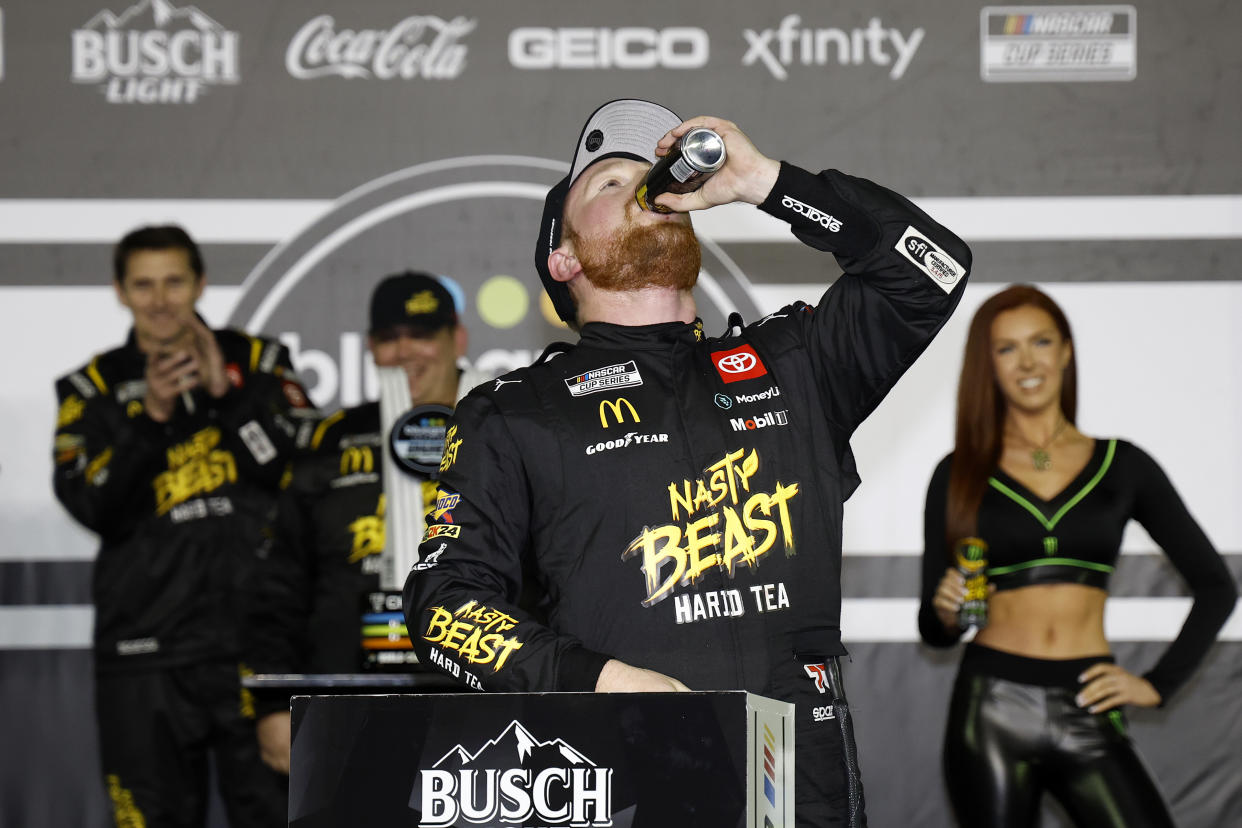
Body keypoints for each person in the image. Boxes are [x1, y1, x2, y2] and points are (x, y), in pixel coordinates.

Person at [403, 98, 972, 827]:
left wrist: (769, 182)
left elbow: (934, 269)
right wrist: (600, 682)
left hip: (802, 791)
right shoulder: (513, 410)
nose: (644, 187)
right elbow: (442, 602)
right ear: (563, 256)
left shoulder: (793, 363)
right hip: (621, 781)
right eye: (609, 183)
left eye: (651, 176)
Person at [918, 284, 1237, 827]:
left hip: (1090, 704)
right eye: (1006, 348)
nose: (1027, 362)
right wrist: (947, 610)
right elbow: (935, 627)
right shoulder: (960, 472)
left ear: (1066, 351)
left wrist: (1157, 684)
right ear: (986, 364)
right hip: (991, 708)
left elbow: (1216, 587)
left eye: (1041, 342)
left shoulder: (1124, 465)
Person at [52, 225, 314, 827]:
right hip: (146, 657)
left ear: (200, 282)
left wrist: (227, 396)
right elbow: (93, 508)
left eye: (174, 281)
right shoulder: (89, 390)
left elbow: (300, 476)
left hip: (259, 653)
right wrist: (150, 419)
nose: (161, 299)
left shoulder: (261, 363)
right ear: (120, 292)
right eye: (143, 285)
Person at [244, 271, 490, 775]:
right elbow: (279, 588)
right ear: (370, 349)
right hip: (342, 707)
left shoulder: (502, 428)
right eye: (388, 339)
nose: (405, 353)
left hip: (477, 703)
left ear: (457, 339)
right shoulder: (332, 441)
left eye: (421, 335)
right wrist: (272, 706)